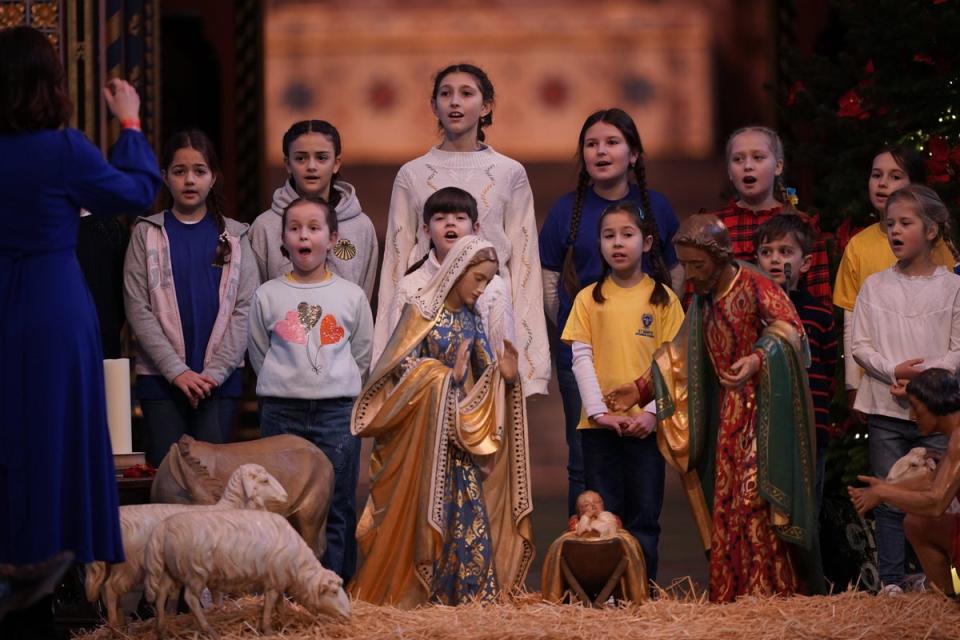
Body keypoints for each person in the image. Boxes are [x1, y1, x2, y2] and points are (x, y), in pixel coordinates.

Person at [0, 26, 160, 634]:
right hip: (52, 307)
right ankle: (43, 595)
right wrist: (131, 123)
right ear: (51, 83)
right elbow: (139, 190)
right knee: (54, 437)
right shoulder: (62, 149)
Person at [604, 213, 823, 602]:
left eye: (697, 265)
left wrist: (758, 358)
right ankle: (733, 592)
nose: (689, 275)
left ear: (720, 258)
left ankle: (772, 592)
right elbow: (679, 355)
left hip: (765, 414)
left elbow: (790, 329)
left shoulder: (754, 284)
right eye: (684, 265)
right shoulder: (703, 300)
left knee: (756, 499)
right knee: (727, 504)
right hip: (727, 417)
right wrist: (639, 389)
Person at [351, 236, 533, 607]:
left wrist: (507, 377)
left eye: (487, 280)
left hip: (457, 442)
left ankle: (466, 601)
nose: (482, 289)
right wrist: (444, 376)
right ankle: (417, 597)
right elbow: (396, 373)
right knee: (421, 521)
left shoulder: (472, 319)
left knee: (468, 523)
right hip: (419, 448)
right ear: (456, 272)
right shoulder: (420, 314)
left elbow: (485, 373)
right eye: (478, 279)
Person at [539, 108, 681, 516]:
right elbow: (549, 280)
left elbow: (676, 274)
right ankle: (585, 558)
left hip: (644, 356)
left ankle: (637, 559)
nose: (601, 151)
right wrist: (581, 327)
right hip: (581, 357)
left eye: (612, 142)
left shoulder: (656, 206)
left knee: (640, 463)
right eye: (591, 144)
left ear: (633, 154)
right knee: (584, 462)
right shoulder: (567, 210)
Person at [377, 63, 549, 396]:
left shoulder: (509, 173)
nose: (455, 102)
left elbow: (525, 264)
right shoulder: (412, 175)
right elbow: (395, 265)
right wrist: (385, 358)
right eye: (446, 94)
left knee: (488, 435)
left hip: (492, 313)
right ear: (434, 106)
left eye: (466, 94)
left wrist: (529, 364)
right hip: (426, 322)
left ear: (485, 107)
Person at [248, 196, 373, 582]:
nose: (305, 235)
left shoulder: (350, 295)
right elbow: (258, 351)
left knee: (335, 501)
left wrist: (336, 384)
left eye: (314, 228)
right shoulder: (268, 294)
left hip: (336, 413)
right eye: (295, 228)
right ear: (283, 239)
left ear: (332, 238)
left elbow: (362, 355)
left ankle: (333, 585)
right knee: (281, 502)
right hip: (281, 412)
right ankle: (287, 588)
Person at [560, 201, 683, 581]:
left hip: (645, 430)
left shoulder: (663, 299)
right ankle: (606, 594)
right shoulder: (587, 298)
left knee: (645, 517)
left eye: (627, 235)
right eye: (609, 236)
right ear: (598, 244)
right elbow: (580, 359)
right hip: (598, 430)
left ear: (646, 243)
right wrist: (599, 413)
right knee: (602, 518)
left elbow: (673, 365)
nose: (618, 243)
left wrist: (650, 414)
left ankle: (641, 594)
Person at [849, 184, 960, 593]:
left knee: (942, 492)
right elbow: (860, 345)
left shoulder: (952, 288)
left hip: (935, 407)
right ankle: (892, 580)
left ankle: (944, 579)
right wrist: (891, 370)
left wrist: (921, 380)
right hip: (886, 408)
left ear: (931, 231)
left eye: (905, 223)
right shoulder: (875, 287)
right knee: (890, 489)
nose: (894, 230)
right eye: (889, 224)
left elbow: (957, 349)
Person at [124, 130, 258, 466]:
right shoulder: (147, 233)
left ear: (213, 178)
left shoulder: (237, 236)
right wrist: (176, 371)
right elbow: (137, 307)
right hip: (161, 382)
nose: (189, 180)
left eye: (199, 171)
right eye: (179, 171)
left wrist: (214, 372)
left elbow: (246, 309)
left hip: (218, 381)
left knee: (209, 482)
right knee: (165, 478)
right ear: (164, 178)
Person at [833, 146, 957, 426]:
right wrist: (853, 385)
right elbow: (852, 322)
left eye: (895, 176)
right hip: (882, 389)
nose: (883, 183)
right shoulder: (859, 247)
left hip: (934, 394)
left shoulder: (940, 252)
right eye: (876, 175)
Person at [370, 186, 515, 375]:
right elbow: (396, 357)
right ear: (426, 230)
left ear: (476, 228)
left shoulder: (494, 286)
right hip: (422, 395)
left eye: (460, 218)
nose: (450, 224)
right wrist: (442, 377)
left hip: (477, 395)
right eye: (440, 218)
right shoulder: (411, 286)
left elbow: (500, 353)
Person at [848, 368, 960, 596]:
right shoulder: (954, 437)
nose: (912, 417)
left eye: (916, 408)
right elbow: (933, 483)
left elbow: (937, 502)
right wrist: (883, 488)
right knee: (916, 523)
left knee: (921, 520)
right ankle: (947, 601)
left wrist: (884, 494)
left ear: (934, 403)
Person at [753, 214, 838, 513]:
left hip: (809, 429)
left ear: (806, 263)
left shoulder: (818, 314)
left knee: (806, 509)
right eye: (767, 252)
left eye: (785, 252)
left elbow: (828, 372)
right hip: (762, 430)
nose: (775, 260)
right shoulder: (751, 313)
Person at [696, 126, 831, 304]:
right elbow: (695, 298)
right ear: (729, 170)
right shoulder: (712, 226)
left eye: (758, 157)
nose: (748, 166)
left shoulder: (802, 224)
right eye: (738, 159)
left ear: (778, 166)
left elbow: (819, 300)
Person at [250, 120, 378, 300]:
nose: (311, 166)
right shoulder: (264, 226)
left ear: (336, 163)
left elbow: (363, 297)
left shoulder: (361, 226)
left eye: (321, 157)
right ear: (287, 164)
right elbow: (256, 300)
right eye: (301, 158)